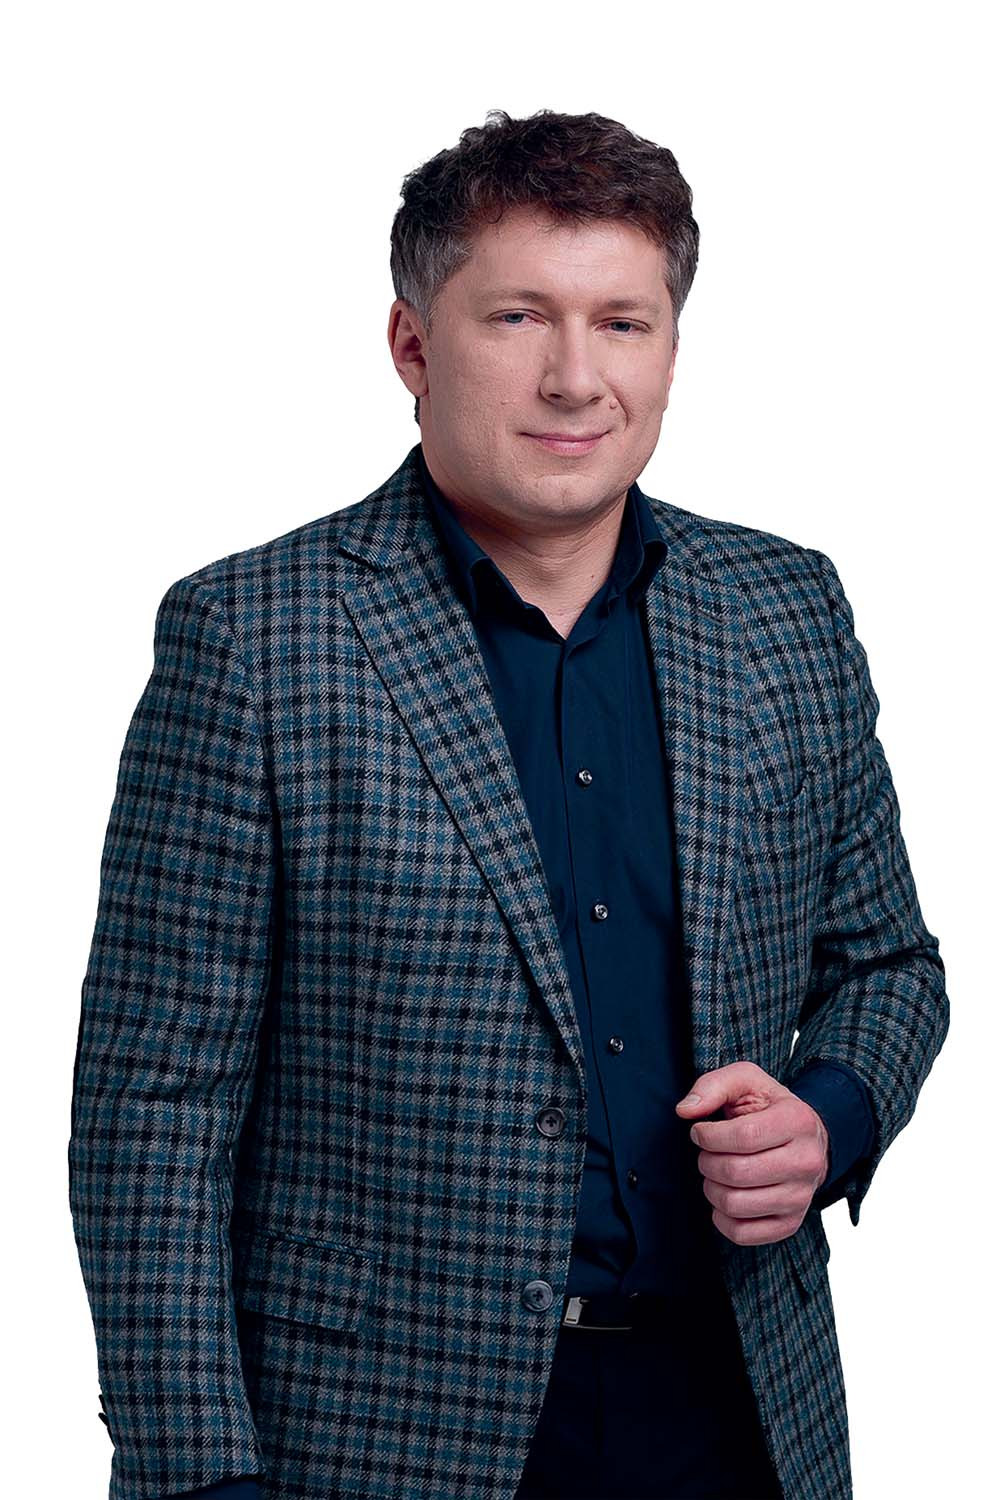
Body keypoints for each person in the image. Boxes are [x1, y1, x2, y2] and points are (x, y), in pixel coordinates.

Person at [69, 108, 949, 1500]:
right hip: (371, 1443)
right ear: (413, 343)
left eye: (623, 323)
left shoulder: (784, 610)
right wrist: (200, 1476)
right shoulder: (255, 640)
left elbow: (888, 964)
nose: (574, 377)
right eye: (520, 316)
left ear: (671, 350)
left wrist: (831, 1116)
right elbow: (152, 1111)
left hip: (741, 1414)